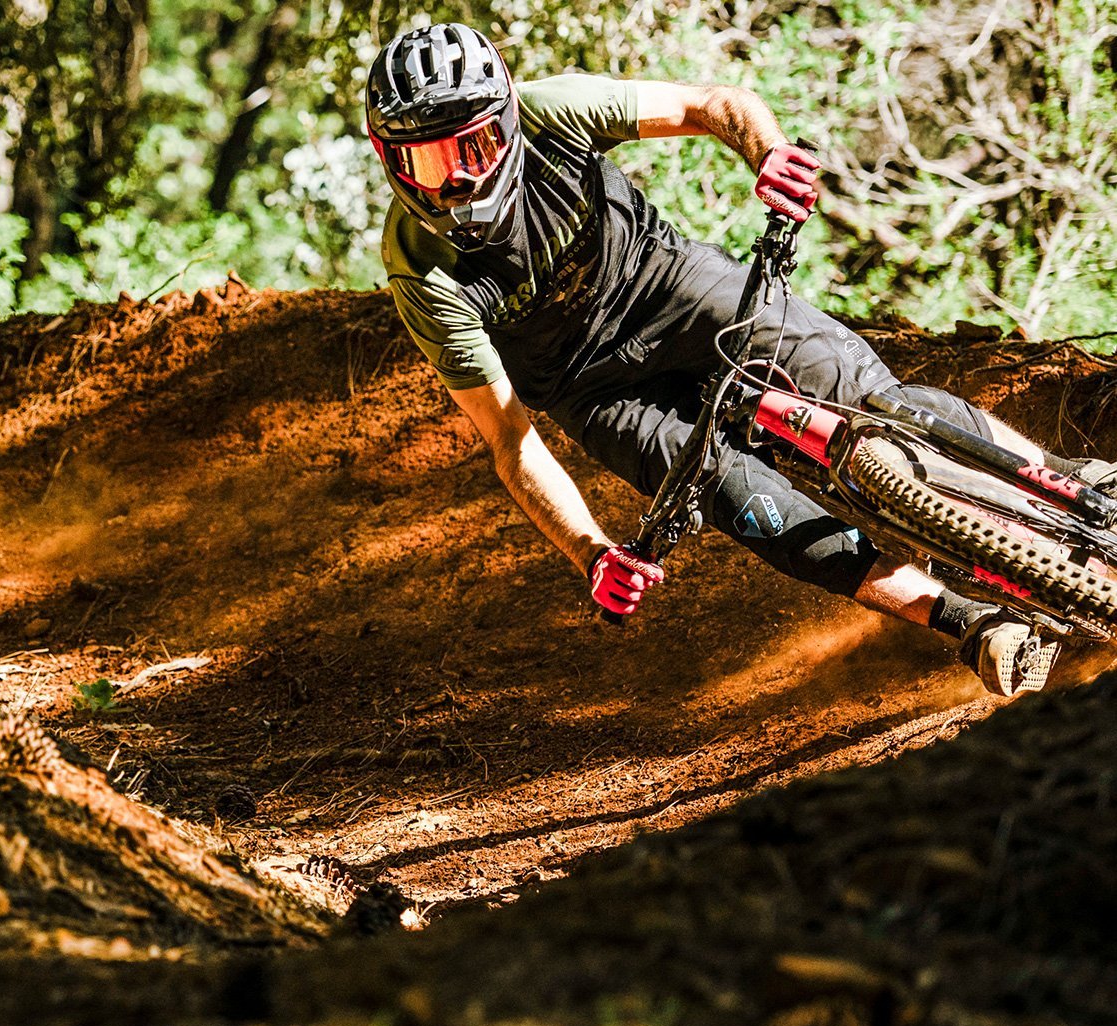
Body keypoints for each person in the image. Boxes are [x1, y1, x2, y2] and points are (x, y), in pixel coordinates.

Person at [367, 21, 1111, 697]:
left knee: (868, 395)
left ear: (506, 123)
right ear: (390, 161)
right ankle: (968, 622)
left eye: (476, 145)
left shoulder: (552, 111)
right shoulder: (421, 273)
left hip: (669, 284)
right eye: (428, 161)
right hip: (592, 391)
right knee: (737, 498)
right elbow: (512, 442)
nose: (459, 178)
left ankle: (1073, 481)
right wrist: (591, 552)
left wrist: (769, 157)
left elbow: (713, 102)